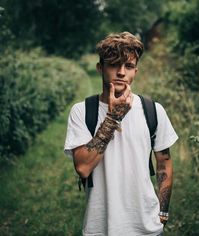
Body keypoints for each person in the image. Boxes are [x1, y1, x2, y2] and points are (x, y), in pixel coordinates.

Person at [64, 31, 178, 236]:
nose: (121, 72)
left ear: (136, 71)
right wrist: (112, 118)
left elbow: (164, 163)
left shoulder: (153, 110)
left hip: (147, 228)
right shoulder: (82, 111)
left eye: (129, 66)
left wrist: (162, 212)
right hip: (100, 227)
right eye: (114, 64)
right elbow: (82, 167)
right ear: (100, 68)